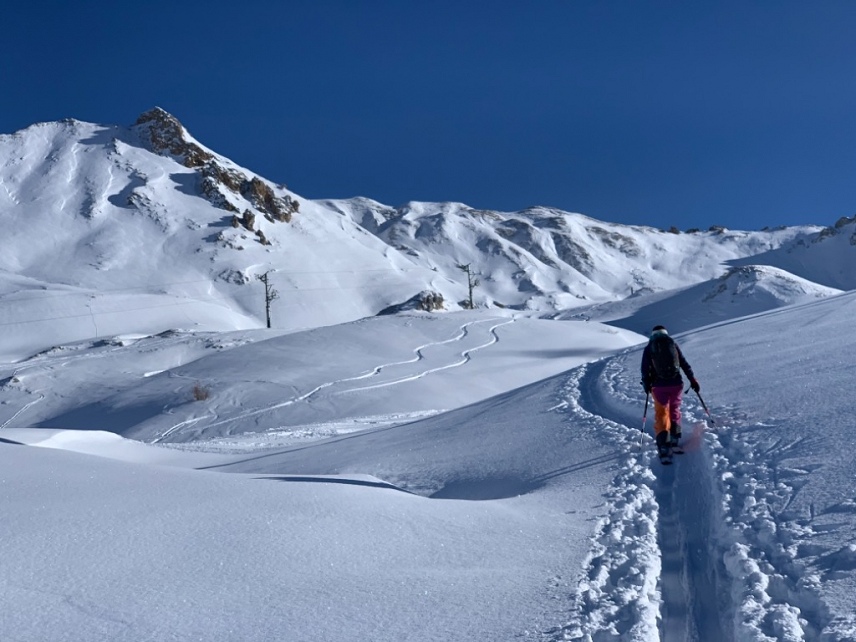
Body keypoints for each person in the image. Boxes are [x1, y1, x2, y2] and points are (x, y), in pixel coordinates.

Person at [640, 325, 699, 459]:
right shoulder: (673, 345)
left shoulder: (649, 348)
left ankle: (663, 445)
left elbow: (644, 369)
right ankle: (674, 439)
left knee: (662, 412)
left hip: (658, 386)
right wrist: (693, 380)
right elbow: (684, 364)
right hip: (676, 384)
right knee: (674, 409)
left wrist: (646, 384)